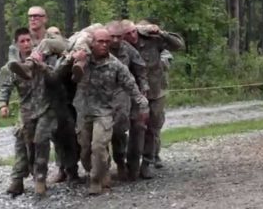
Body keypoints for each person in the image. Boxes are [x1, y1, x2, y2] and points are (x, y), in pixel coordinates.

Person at [69, 27, 149, 195]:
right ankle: (99, 170)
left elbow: (131, 86)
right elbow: (69, 75)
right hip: (84, 111)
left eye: (107, 41)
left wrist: (143, 104)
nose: (105, 45)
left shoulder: (116, 65)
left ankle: (96, 180)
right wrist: (76, 61)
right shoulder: (83, 58)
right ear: (92, 42)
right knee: (85, 149)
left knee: (98, 146)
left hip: (104, 111)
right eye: (100, 41)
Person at [121, 19, 184, 180]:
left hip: (156, 91)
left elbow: (178, 45)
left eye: (133, 32)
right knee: (136, 128)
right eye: (127, 34)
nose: (132, 36)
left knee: (152, 129)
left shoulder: (151, 39)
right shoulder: (120, 46)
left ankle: (147, 163)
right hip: (133, 94)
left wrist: (161, 32)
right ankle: (132, 164)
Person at [105, 21, 149, 181]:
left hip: (125, 92)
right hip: (103, 94)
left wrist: (143, 88)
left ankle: (128, 164)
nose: (115, 40)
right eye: (112, 37)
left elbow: (141, 68)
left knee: (126, 128)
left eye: (118, 37)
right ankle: (107, 166)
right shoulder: (100, 47)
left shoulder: (127, 49)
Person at [0, 27, 35, 197]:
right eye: (22, 41)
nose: (26, 44)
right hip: (27, 108)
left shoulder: (43, 57)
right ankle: (17, 180)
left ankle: (68, 171)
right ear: (17, 44)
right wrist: (3, 104)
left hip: (49, 106)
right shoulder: (12, 66)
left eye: (28, 40)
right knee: (21, 138)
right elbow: (3, 85)